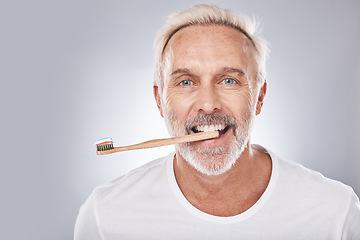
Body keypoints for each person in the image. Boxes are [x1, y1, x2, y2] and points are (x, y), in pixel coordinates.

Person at [74, 4, 360, 239]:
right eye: (186, 81)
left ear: (259, 97)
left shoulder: (335, 211)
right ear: (160, 99)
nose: (208, 103)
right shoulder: (105, 216)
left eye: (228, 80)